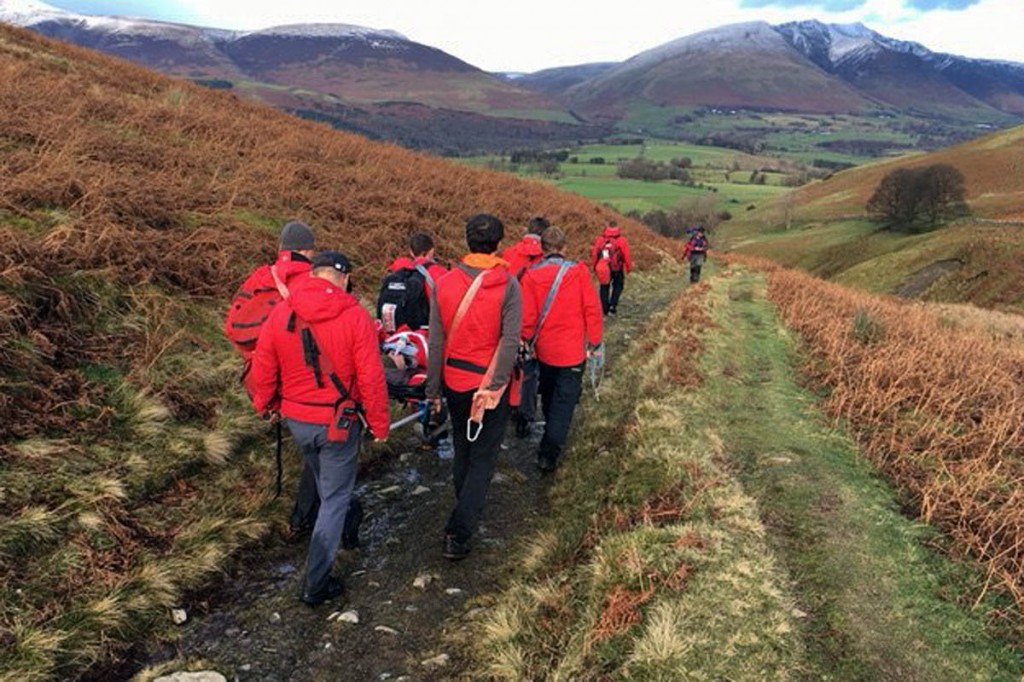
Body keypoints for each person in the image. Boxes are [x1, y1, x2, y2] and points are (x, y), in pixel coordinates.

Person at [250, 250, 390, 606]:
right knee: (334, 499)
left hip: (298, 421)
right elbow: (371, 377)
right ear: (342, 278)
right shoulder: (355, 316)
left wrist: (264, 404)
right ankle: (316, 582)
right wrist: (379, 425)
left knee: (329, 486)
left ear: (314, 275)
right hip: (338, 424)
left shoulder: (282, 312)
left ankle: (347, 521)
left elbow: (263, 364)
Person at [426, 213, 521, 561]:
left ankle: (463, 505)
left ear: (467, 242)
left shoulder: (445, 282)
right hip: (489, 385)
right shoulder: (509, 284)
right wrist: (494, 387)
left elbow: (436, 343)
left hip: (454, 381)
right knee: (483, 458)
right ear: (499, 244)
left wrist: (432, 390)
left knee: (463, 450)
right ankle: (460, 531)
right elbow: (510, 341)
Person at [223, 219, 319, 539]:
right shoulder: (312, 279)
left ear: (281, 249)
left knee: (310, 449)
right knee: (320, 453)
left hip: (269, 379)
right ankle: (305, 519)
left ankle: (306, 515)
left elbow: (232, 326)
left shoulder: (259, 278)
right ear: (307, 250)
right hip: (306, 380)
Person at [520, 227, 602, 472]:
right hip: (573, 353)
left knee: (547, 393)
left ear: (542, 249)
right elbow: (591, 308)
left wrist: (526, 341)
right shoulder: (578, 272)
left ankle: (549, 433)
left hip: (544, 352)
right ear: (564, 247)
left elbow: (527, 317)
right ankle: (549, 453)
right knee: (564, 403)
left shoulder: (530, 276)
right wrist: (594, 341)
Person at [501, 216, 549, 438]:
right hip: (535, 319)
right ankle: (525, 415)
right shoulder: (547, 258)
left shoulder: (510, 253)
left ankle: (508, 405)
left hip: (508, 315)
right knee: (529, 369)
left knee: (509, 362)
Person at [377, 232, 448, 333]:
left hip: (395, 334)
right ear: (431, 250)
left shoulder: (397, 271)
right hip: (424, 332)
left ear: (411, 252)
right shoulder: (437, 272)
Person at [590, 221, 632, 315]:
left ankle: (605, 309)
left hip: (604, 267)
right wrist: (628, 267)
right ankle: (613, 305)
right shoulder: (621, 240)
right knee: (618, 286)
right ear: (617, 228)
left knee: (604, 287)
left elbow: (594, 254)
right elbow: (626, 255)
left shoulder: (601, 239)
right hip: (617, 268)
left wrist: (594, 266)